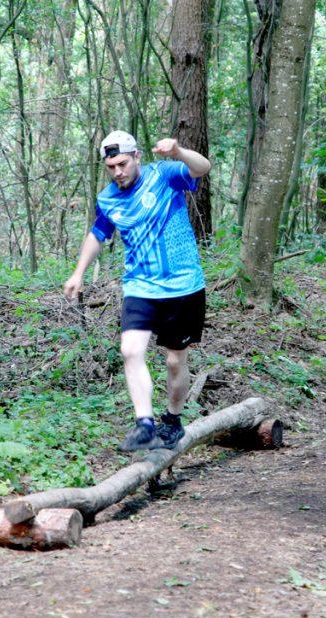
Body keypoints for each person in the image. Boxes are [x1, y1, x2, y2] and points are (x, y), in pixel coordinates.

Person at [64, 130, 211, 452]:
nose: (118, 172)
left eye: (123, 164)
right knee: (130, 350)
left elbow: (203, 167)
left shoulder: (165, 175)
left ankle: (172, 419)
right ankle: (144, 424)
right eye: (111, 167)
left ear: (136, 157)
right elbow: (98, 234)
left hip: (183, 284)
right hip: (140, 285)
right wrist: (78, 273)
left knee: (175, 361)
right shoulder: (108, 199)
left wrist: (179, 152)